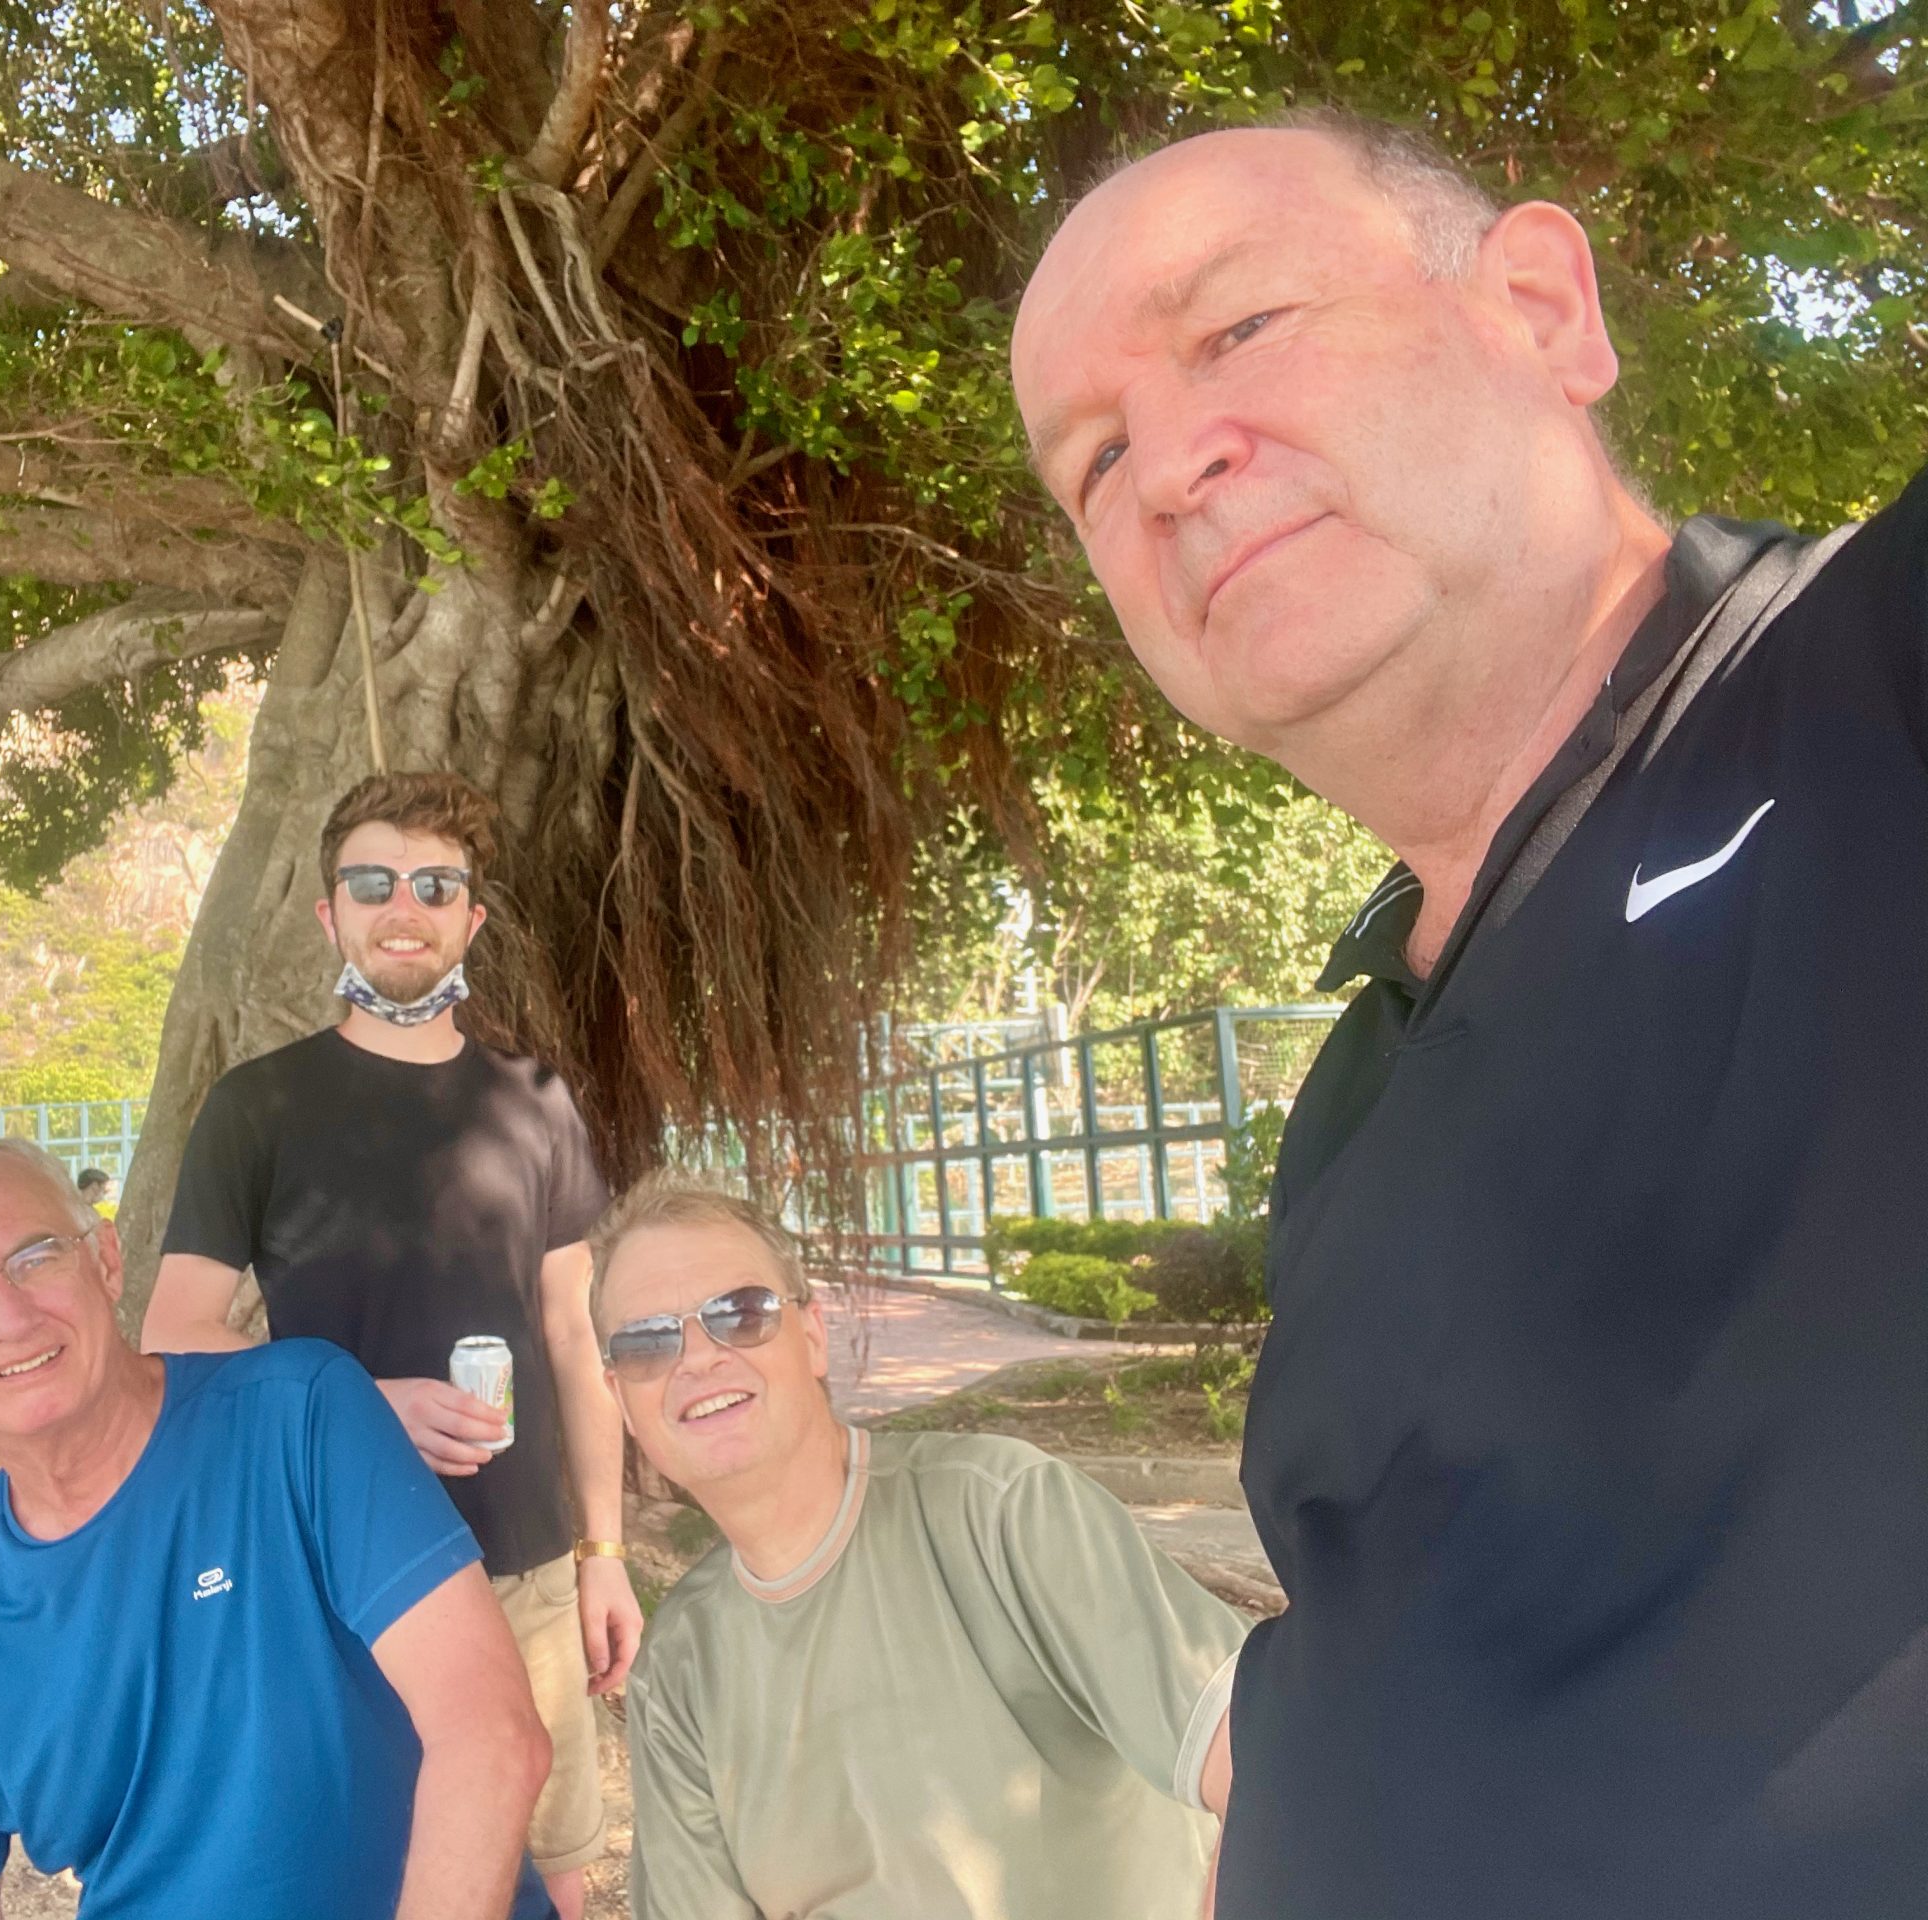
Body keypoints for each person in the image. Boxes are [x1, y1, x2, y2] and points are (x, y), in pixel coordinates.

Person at [1010, 112, 1928, 1917]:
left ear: (1542, 309)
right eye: (1095, 459)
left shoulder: (1871, 685)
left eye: (1241, 329)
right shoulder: (1354, 1094)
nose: (1173, 464)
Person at [145, 772, 634, 1920]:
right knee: (361, 1876)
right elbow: (174, 1330)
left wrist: (602, 1551)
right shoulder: (256, 1107)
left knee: (552, 1874)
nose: (401, 906)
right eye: (371, 883)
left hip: (522, 1564)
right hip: (332, 1570)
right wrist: (359, 1404)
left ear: (472, 918)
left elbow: (576, 1335)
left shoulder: (537, 1101)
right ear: (330, 915)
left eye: (433, 885)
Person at [0, 1135, 555, 1920]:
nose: (10, 1317)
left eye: (37, 1258)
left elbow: (490, 1733)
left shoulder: (299, 1415)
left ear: (107, 1260)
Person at [602, 1177, 1246, 1920]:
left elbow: (1268, 1765)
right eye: (647, 1340)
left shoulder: (1001, 1513)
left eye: (740, 1313)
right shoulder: (678, 1667)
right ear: (621, 1401)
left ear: (812, 1337)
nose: (696, 1357)